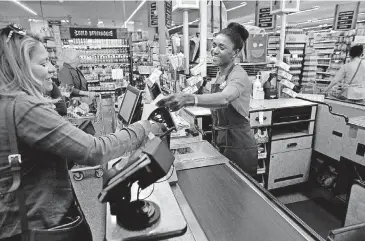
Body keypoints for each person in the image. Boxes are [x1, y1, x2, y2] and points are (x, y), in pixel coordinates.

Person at [0, 24, 164, 241]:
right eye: (43, 63)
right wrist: (144, 126)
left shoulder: (11, 103)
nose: (52, 68)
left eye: (49, 60)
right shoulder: (23, 108)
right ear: (19, 68)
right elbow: (94, 151)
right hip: (40, 225)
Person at [157, 22, 258, 176]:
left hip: (239, 144)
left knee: (240, 192)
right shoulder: (220, 74)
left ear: (235, 52)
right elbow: (216, 102)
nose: (215, 51)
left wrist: (189, 98)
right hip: (222, 139)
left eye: (222, 48)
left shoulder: (238, 75)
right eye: (214, 45)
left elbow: (225, 98)